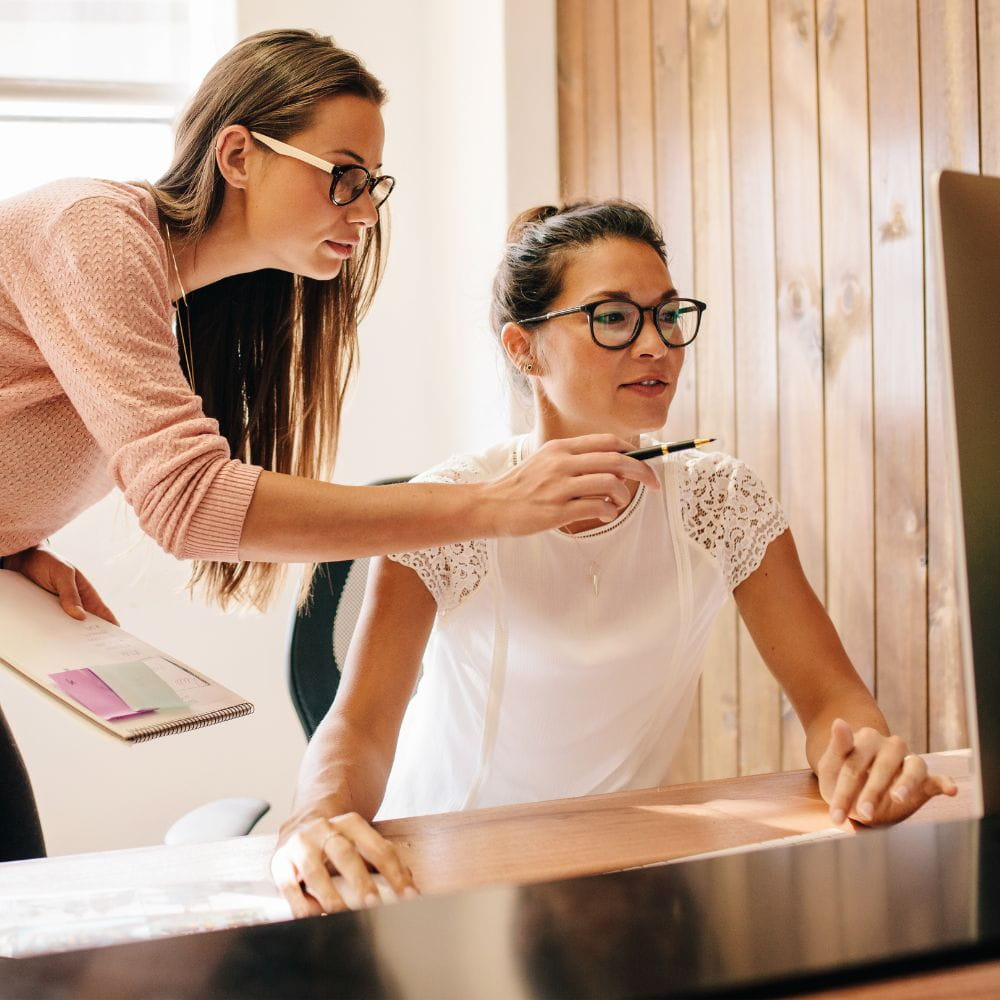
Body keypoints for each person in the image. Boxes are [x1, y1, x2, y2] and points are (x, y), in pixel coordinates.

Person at [0, 31, 658, 863]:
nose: (367, 209)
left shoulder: (176, 299)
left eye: (373, 184)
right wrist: (491, 508)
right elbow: (192, 506)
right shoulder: (93, 231)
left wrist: (15, 546)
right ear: (238, 153)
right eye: (343, 176)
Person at [271, 199, 958, 917]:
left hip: (617, 873)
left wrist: (864, 758)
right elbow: (359, 726)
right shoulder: (449, 506)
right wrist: (314, 816)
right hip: (439, 870)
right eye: (613, 317)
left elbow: (833, 700)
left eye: (667, 315)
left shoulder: (720, 502)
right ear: (523, 348)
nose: (656, 344)